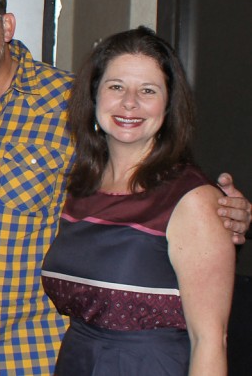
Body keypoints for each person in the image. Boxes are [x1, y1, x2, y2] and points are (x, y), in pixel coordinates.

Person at [0, 0, 251, 375]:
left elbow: (148, 170)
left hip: (23, 363)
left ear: (7, 25)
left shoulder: (70, 106)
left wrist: (217, 209)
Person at [41, 26, 234, 375]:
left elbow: (209, 340)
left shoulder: (193, 201)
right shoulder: (81, 188)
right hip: (77, 360)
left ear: (168, 106)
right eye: (116, 87)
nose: (130, 103)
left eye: (148, 90)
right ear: (95, 96)